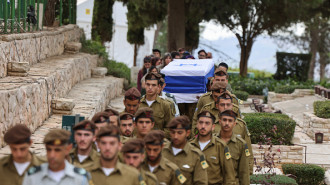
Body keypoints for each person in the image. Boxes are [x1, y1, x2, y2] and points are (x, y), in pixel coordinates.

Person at [22, 129, 91, 185]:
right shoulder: (33, 176)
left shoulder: (80, 178)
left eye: (57, 150)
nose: (52, 155)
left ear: (68, 149)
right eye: (49, 150)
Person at [190, 111, 236, 185]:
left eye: (207, 123)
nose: (203, 126)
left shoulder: (220, 146)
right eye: (201, 122)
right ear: (197, 125)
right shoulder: (190, 146)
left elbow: (229, 175)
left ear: (213, 127)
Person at [162, 116, 208, 185]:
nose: (175, 136)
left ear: (187, 133)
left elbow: (201, 182)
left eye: (179, 133)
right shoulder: (161, 151)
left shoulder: (196, 156)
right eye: (173, 132)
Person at [217, 93, 253, 175]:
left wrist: (249, 171)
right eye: (222, 105)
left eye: (228, 104)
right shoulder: (210, 124)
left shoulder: (240, 125)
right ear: (217, 106)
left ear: (232, 106)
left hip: (235, 172)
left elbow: (248, 150)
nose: (225, 107)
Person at [217, 110, 250, 185]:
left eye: (230, 121)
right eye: (224, 120)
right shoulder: (211, 141)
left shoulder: (241, 144)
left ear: (234, 124)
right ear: (219, 121)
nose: (227, 123)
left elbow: (244, 172)